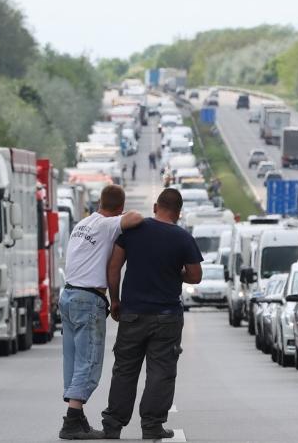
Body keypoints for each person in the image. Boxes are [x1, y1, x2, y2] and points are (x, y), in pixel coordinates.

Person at [101, 188, 203, 440]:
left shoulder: (133, 231)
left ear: (156, 206)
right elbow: (195, 275)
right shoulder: (182, 238)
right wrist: (176, 273)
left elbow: (113, 266)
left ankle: (113, 426)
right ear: (178, 214)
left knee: (125, 369)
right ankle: (152, 425)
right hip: (167, 317)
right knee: (161, 371)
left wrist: (115, 300)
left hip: (133, 313)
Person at [58, 185, 144, 440]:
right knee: (90, 360)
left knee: (73, 359)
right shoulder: (108, 225)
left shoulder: (82, 224)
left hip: (68, 296)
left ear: (98, 203)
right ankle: (72, 420)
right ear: (119, 207)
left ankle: (78, 416)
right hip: (88, 299)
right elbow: (136, 219)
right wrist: (124, 215)